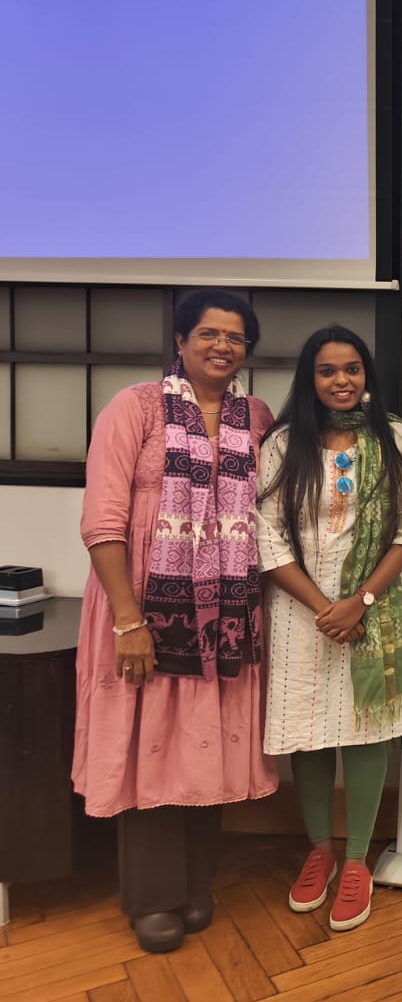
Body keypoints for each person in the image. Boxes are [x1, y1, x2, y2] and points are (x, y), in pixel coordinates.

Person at [74, 290, 279, 954]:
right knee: (150, 742)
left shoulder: (257, 417)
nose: (223, 346)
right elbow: (103, 521)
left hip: (225, 613)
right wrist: (128, 622)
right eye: (209, 333)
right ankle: (152, 895)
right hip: (144, 606)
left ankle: (195, 882)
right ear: (181, 341)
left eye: (236, 337)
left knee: (203, 740)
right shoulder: (133, 408)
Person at [255, 325, 402, 933]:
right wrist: (322, 606)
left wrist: (360, 600)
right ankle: (319, 851)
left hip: (373, 607)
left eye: (352, 369)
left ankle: (357, 861)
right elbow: (267, 533)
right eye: (327, 371)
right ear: (310, 379)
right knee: (307, 732)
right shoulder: (284, 443)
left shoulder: (395, 437)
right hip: (299, 609)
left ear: (367, 375)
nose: (341, 381)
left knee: (365, 728)